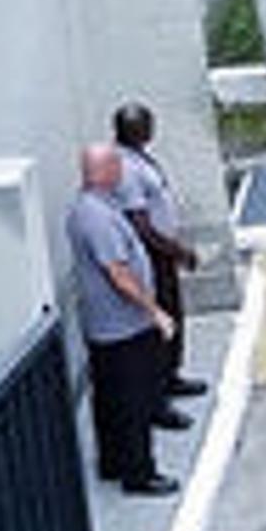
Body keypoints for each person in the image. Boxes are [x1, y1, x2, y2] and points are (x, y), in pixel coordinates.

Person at [67, 144, 180, 496]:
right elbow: (118, 273)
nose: (121, 172)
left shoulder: (90, 208)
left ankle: (114, 460)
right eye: (115, 166)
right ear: (101, 172)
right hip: (123, 327)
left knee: (111, 397)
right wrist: (154, 311)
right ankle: (139, 472)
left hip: (107, 327)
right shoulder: (98, 218)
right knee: (133, 399)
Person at [111, 100, 208, 415]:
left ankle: (171, 376)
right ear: (135, 131)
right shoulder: (126, 169)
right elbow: (140, 224)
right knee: (161, 321)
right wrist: (176, 251)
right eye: (147, 124)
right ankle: (157, 400)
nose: (153, 129)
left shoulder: (138, 158)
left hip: (162, 253)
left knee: (174, 315)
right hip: (152, 258)